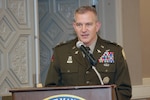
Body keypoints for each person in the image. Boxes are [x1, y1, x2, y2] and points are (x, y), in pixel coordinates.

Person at [45, 6, 132, 100]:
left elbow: (125, 91)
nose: (83, 30)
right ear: (74, 26)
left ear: (97, 26)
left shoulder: (114, 52)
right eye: (79, 25)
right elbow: (50, 90)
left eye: (88, 24)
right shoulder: (61, 52)